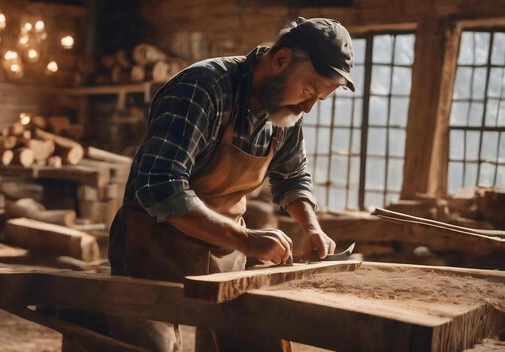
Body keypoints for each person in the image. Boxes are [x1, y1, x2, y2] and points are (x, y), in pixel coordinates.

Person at [107, 17, 355, 352]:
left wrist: (311, 227)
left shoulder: (286, 110)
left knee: (246, 339)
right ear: (281, 59)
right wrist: (246, 238)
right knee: (152, 346)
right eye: (309, 91)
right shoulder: (202, 87)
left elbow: (292, 176)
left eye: (318, 100)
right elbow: (160, 185)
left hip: (224, 256)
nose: (308, 107)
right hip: (152, 252)